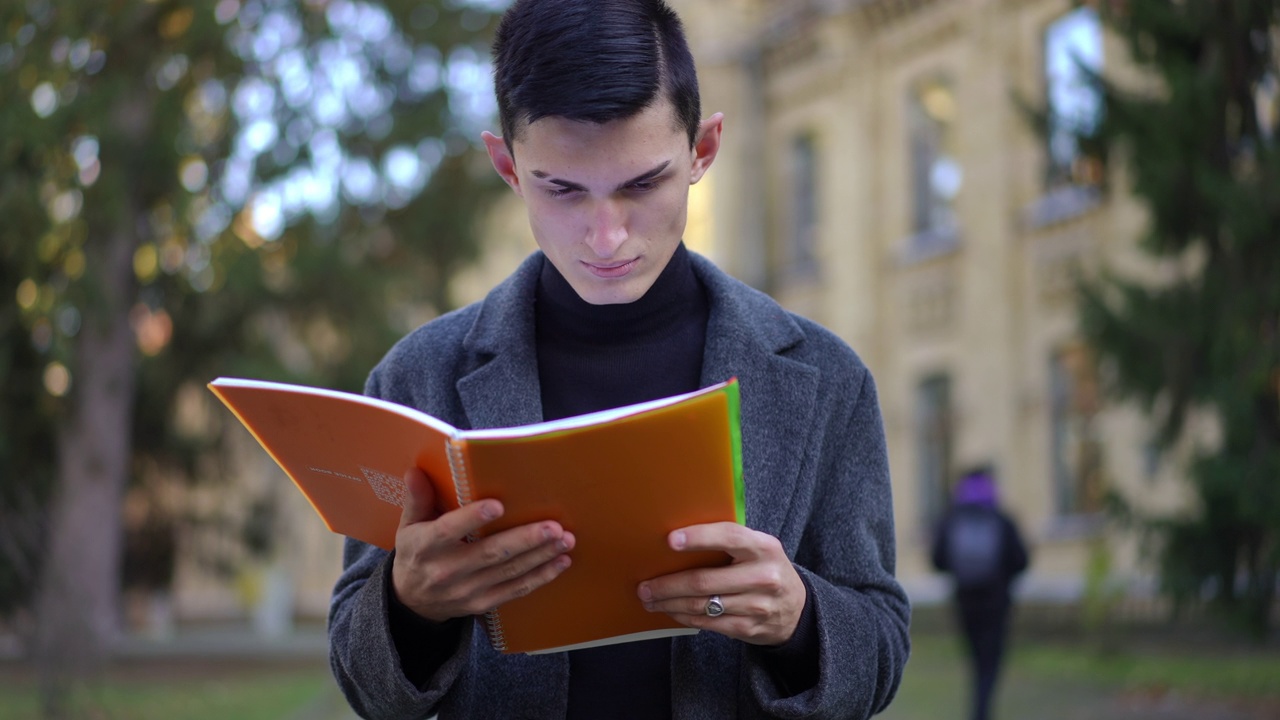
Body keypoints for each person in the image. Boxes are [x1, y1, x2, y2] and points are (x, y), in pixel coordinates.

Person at [327, 1, 910, 717]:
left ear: (704, 150)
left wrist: (799, 619)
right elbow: (362, 683)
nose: (606, 238)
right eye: (563, 190)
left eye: (641, 184)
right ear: (507, 166)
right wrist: (407, 606)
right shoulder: (416, 379)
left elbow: (882, 646)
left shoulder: (828, 378)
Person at [930, 466, 1030, 720]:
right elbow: (1021, 560)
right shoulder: (1000, 518)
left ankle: (979, 710)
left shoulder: (952, 518)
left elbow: (937, 560)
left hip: (965, 602)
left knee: (976, 661)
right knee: (990, 664)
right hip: (996, 603)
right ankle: (981, 712)